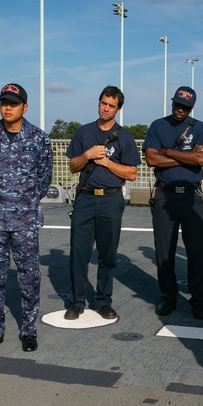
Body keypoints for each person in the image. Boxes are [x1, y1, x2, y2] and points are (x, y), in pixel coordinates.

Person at [0, 83, 53, 352]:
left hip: (25, 220)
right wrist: (0, 198)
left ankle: (28, 330)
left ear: (25, 107)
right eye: (4, 102)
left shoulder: (38, 139)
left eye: (13, 103)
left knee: (29, 276)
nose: (7, 107)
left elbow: (44, 179)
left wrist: (24, 201)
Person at [64, 86, 139, 320]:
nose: (105, 108)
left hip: (111, 199)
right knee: (78, 251)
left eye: (111, 105)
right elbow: (73, 166)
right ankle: (76, 301)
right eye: (103, 103)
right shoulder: (83, 132)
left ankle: (104, 300)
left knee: (107, 253)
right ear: (98, 103)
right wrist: (86, 155)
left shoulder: (124, 137)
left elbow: (132, 173)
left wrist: (106, 162)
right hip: (85, 198)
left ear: (118, 109)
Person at [143, 86, 203, 320]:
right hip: (165, 195)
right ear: (171, 103)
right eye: (176, 104)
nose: (179, 109)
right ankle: (168, 297)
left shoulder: (200, 127)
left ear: (191, 108)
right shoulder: (158, 126)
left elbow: (200, 159)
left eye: (185, 107)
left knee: (195, 251)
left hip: (191, 196)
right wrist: (187, 159)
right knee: (164, 251)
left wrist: (168, 153)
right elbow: (151, 159)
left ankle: (199, 300)